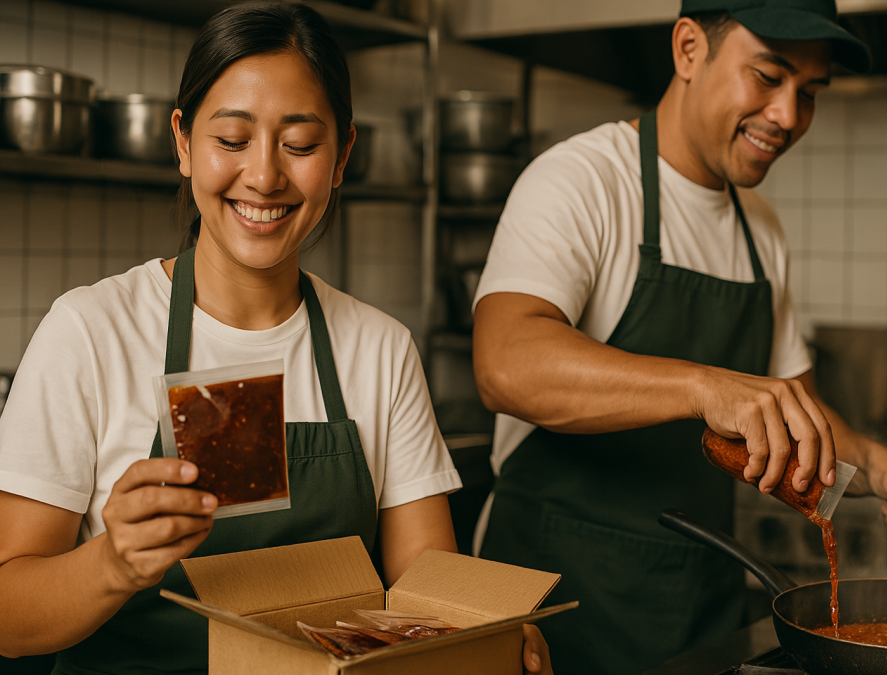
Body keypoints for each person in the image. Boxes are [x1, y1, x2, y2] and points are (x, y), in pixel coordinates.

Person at [0, 4, 550, 673]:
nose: (264, 176)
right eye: (232, 139)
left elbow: (421, 587)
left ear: (343, 156)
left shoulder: (380, 348)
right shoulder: (90, 332)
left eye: (301, 145)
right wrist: (111, 563)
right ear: (183, 143)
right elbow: (8, 618)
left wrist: (481, 629)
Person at [471, 0, 887, 673]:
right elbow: (504, 363)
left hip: (700, 612)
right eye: (768, 77)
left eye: (809, 92)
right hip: (554, 612)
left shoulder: (761, 230)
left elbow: (797, 413)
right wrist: (704, 387)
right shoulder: (581, 181)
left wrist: (876, 464)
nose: (788, 115)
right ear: (689, 49)